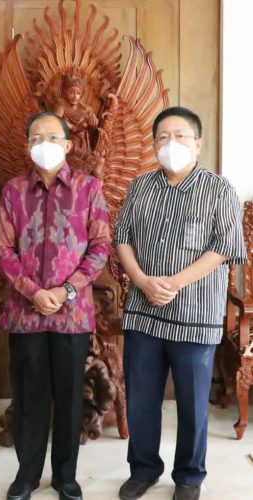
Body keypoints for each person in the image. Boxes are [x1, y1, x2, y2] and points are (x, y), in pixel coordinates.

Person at [114, 106, 246, 500]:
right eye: (162, 137)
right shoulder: (140, 186)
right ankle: (144, 470)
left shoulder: (219, 190)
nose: (170, 143)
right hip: (143, 312)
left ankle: (189, 477)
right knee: (141, 399)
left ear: (198, 143)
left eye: (180, 136)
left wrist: (173, 283)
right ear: (154, 143)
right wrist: (141, 280)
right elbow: (122, 237)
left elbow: (225, 247)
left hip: (195, 315)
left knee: (191, 404)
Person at [0, 111, 111, 500]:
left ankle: (66, 477)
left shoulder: (88, 188)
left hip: (72, 314)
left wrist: (66, 290)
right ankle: (26, 476)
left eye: (52, 137)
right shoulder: (14, 190)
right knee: (29, 397)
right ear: (27, 145)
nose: (43, 144)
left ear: (68, 144)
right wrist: (32, 291)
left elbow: (100, 247)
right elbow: (3, 250)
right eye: (35, 138)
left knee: (69, 397)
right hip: (24, 313)